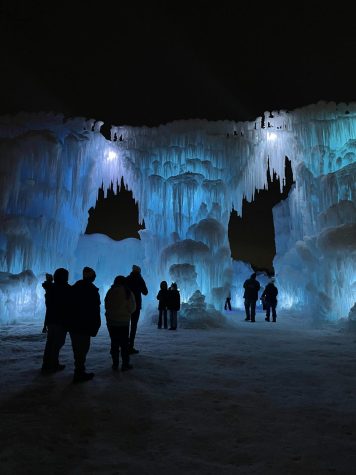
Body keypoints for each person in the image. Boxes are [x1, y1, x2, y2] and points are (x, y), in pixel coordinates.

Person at [69, 267, 101, 383]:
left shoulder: (75, 288)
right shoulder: (90, 290)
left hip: (74, 324)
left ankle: (79, 371)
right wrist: (96, 324)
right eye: (93, 276)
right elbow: (94, 310)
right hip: (84, 324)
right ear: (91, 277)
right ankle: (79, 373)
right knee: (82, 349)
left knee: (78, 349)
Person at [41, 268, 71, 374]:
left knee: (50, 343)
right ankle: (52, 365)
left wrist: (49, 282)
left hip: (51, 319)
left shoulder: (52, 287)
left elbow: (48, 288)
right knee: (57, 343)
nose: (68, 277)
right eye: (66, 275)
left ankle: (47, 364)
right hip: (60, 320)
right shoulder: (65, 288)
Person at [105, 275, 136, 371]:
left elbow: (106, 305)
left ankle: (115, 364)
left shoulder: (110, 292)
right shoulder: (128, 292)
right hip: (123, 322)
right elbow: (132, 307)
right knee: (124, 344)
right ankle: (125, 364)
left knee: (114, 343)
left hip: (111, 322)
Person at [126, 265, 148, 354]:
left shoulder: (127, 279)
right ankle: (130, 346)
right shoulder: (139, 279)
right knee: (133, 326)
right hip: (136, 306)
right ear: (139, 272)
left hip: (126, 306)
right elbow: (145, 292)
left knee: (125, 326)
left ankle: (124, 345)